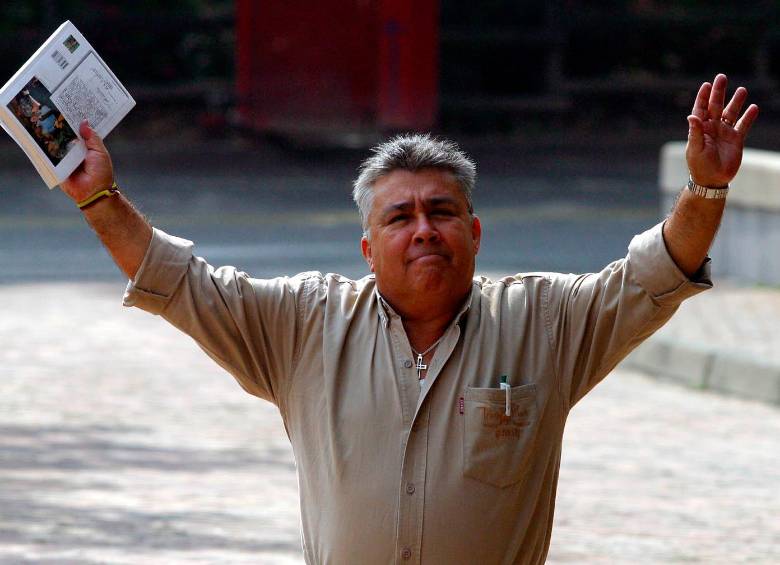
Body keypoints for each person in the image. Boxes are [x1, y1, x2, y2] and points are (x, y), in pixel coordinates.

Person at [60, 74, 758, 564]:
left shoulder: (544, 320)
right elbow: (177, 281)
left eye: (441, 211)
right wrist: (99, 198)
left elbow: (656, 274)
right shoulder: (303, 323)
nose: (424, 229)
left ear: (475, 233)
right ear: (368, 248)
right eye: (400, 217)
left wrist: (706, 187)